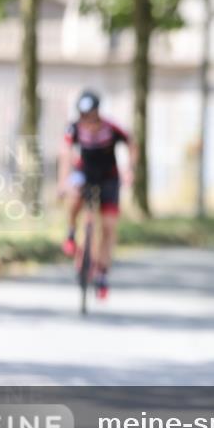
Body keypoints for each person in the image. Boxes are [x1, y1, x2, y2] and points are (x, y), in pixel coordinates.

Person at [58, 90, 136, 299]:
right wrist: (62, 183)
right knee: (74, 194)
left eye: (89, 114)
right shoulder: (73, 128)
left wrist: (130, 169)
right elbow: (65, 154)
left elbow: (131, 142)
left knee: (109, 227)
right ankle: (72, 231)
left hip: (109, 178)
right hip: (84, 174)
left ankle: (101, 272)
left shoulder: (111, 128)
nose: (85, 120)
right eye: (82, 115)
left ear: (97, 112)